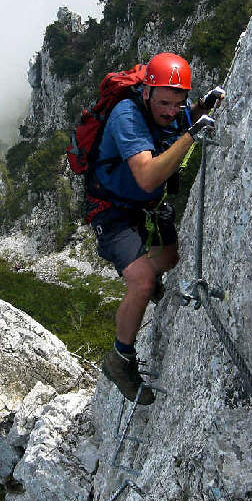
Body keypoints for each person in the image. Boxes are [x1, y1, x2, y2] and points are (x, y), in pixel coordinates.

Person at [89, 52, 223, 404]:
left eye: (178, 104)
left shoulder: (170, 111)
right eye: (164, 102)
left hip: (142, 206)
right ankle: (119, 359)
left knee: (170, 258)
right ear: (146, 92)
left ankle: (154, 282)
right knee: (142, 280)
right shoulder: (127, 116)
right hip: (111, 210)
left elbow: (173, 124)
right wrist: (191, 135)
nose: (170, 111)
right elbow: (148, 177)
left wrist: (195, 112)